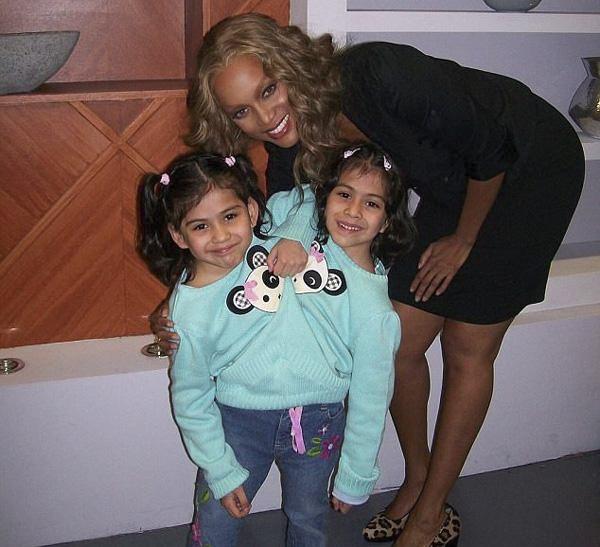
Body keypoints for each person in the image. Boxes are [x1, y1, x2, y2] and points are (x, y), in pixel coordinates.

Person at [151, 13, 584, 547]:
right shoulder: (289, 146)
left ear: (290, 67)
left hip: (526, 168)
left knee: (467, 346)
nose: (266, 118)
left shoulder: (377, 74)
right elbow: (269, 232)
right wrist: (185, 297)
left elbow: (492, 149)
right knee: (400, 343)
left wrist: (464, 240)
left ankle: (429, 513)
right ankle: (419, 479)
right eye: (243, 111)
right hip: (454, 187)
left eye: (269, 89)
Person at [139, 146, 414, 547]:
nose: (221, 236)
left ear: (251, 212)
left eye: (370, 203)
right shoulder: (256, 252)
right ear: (179, 235)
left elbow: (373, 393)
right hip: (239, 420)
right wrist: (220, 470)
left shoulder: (369, 305)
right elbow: (190, 396)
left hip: (317, 418)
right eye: (201, 226)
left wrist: (356, 472)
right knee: (215, 520)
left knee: (308, 521)